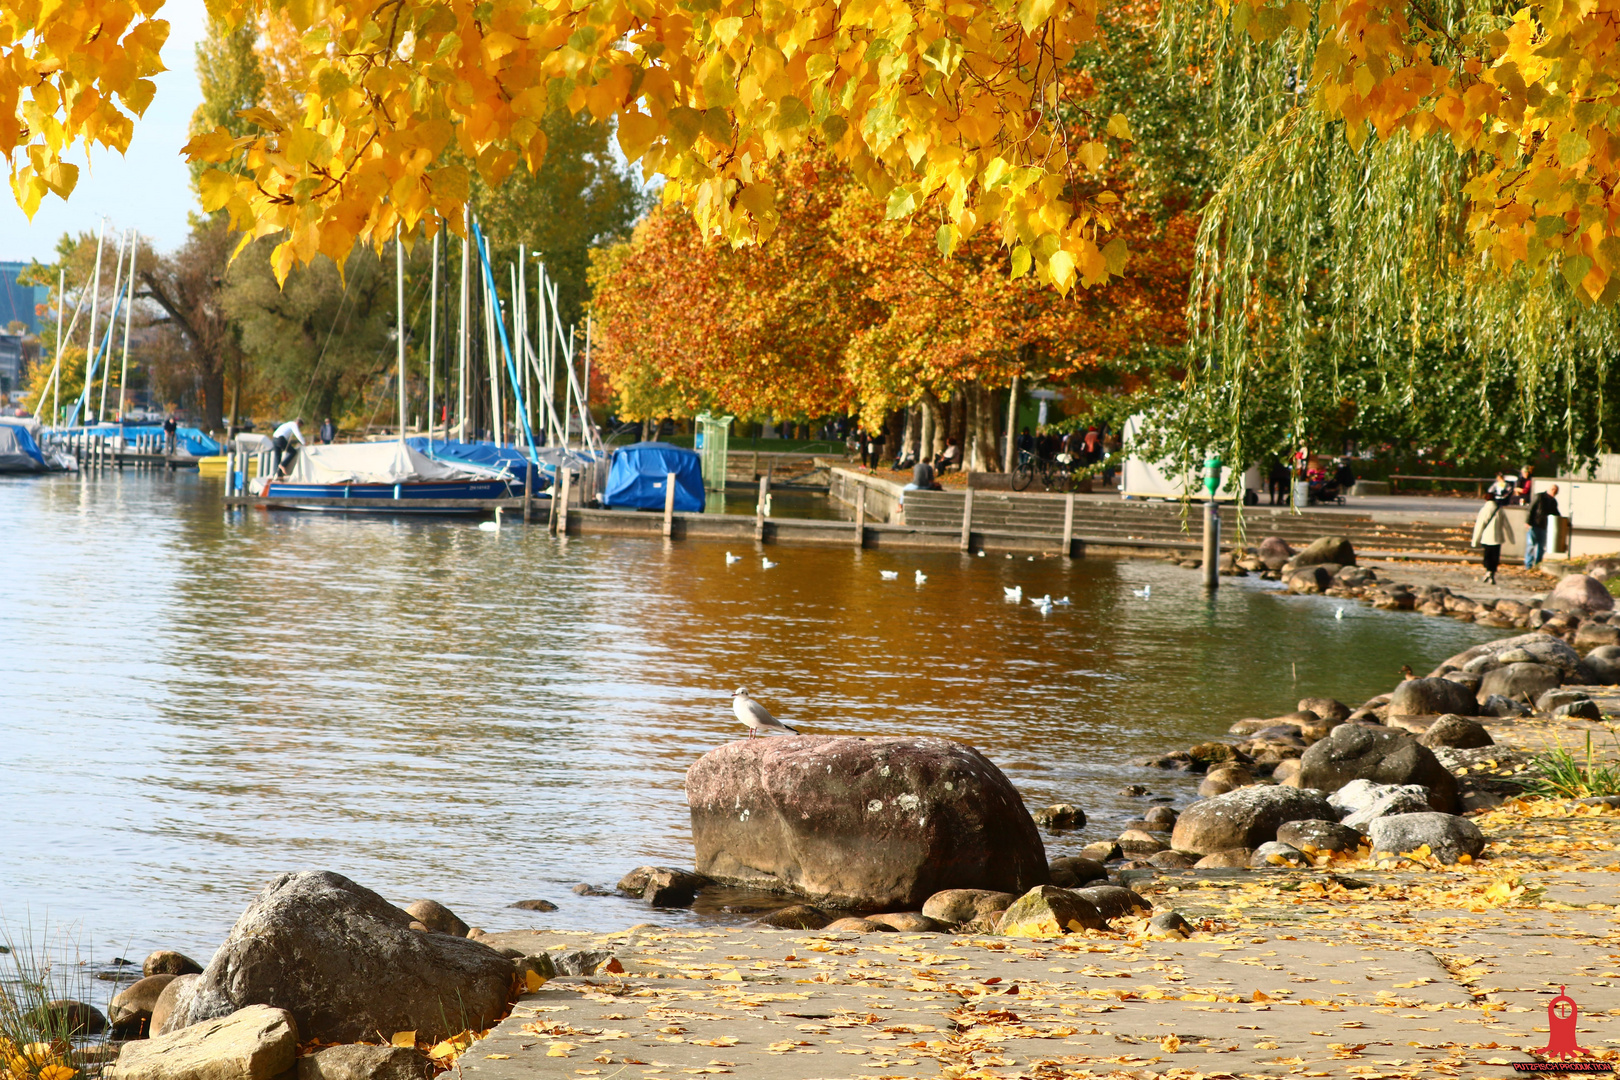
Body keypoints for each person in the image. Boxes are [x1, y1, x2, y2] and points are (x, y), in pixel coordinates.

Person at [1471, 492, 1514, 584]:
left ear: (1486, 499)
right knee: (1495, 557)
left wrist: (1475, 541)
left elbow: (1479, 526)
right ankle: (1492, 574)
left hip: (1486, 537)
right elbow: (1507, 525)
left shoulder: (1484, 510)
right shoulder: (1499, 510)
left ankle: (1488, 572)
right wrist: (1511, 538)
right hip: (1498, 538)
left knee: (1487, 556)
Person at [1524, 482, 1560, 568]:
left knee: (1541, 547)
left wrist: (1564, 521)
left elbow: (1556, 513)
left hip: (1544, 526)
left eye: (1556, 491)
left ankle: (1538, 564)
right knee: (1531, 545)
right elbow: (1530, 509)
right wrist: (1527, 522)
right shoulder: (1539, 497)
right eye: (1553, 490)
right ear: (1549, 489)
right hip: (1534, 524)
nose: (1554, 493)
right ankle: (1528, 565)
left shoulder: (1553, 501)